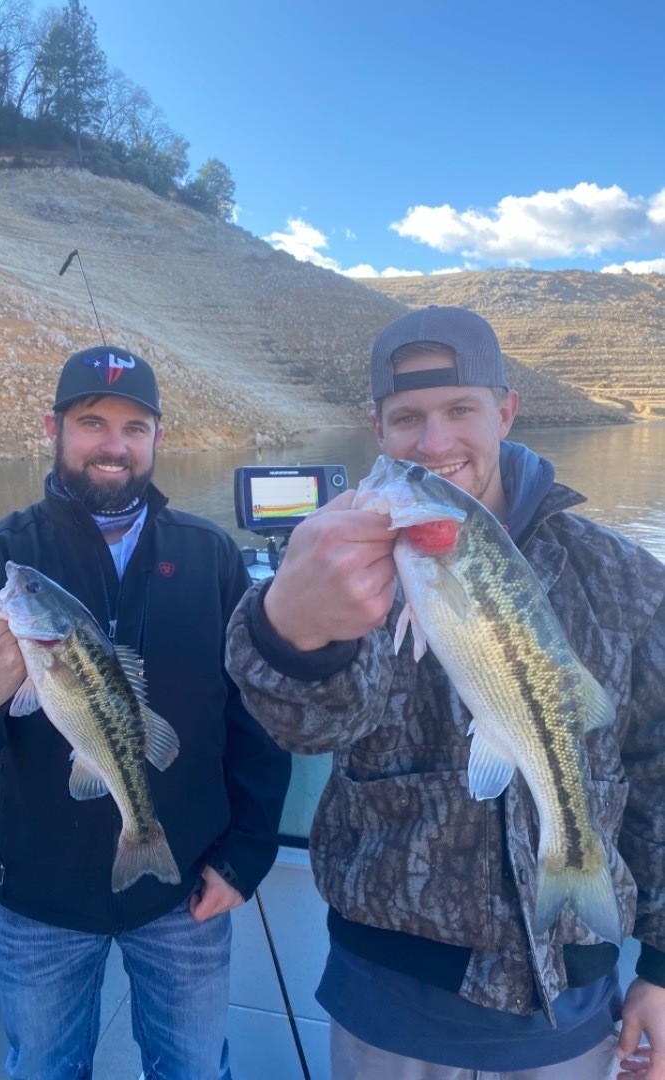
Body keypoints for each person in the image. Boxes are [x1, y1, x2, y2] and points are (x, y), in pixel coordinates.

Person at [224, 305, 665, 1079]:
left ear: (505, 410)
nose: (433, 444)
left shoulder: (622, 574)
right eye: (407, 420)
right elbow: (309, 728)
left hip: (567, 1007)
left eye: (460, 410)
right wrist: (287, 627)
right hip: (389, 1004)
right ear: (377, 428)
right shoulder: (344, 555)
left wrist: (660, 964)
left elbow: (659, 768)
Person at [0, 344, 291, 1080]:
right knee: (43, 1070)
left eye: (135, 427)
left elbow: (256, 718)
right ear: (55, 428)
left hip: (187, 886)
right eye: (92, 421)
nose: (114, 445)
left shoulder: (210, 557)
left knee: (197, 1071)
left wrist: (248, 855)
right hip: (37, 901)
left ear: (157, 439)